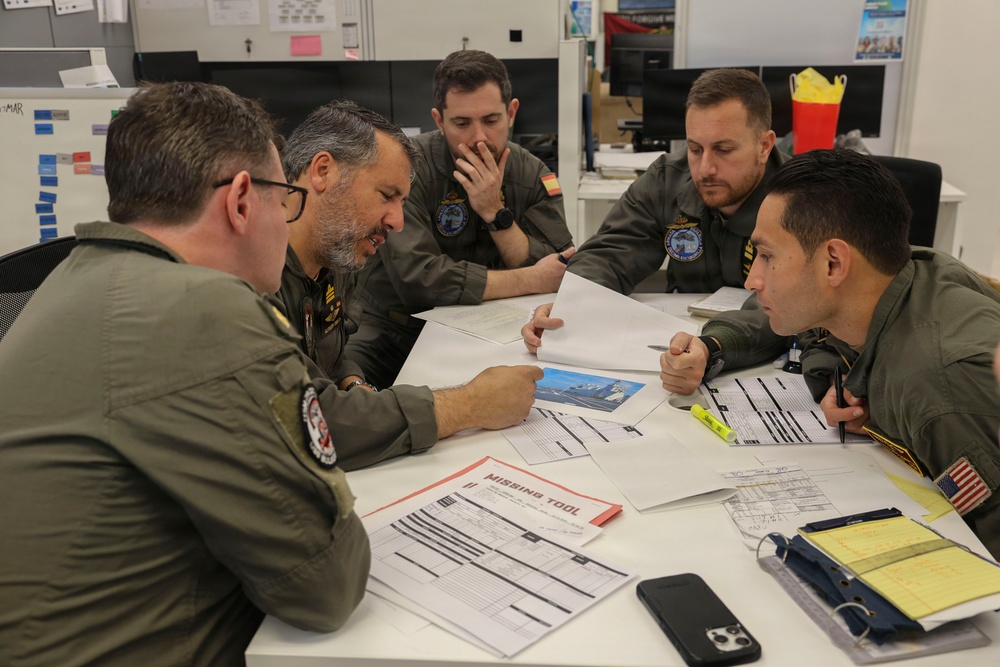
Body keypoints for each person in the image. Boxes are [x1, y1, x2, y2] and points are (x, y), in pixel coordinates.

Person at [0, 83, 371, 666]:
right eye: (285, 199)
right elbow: (324, 583)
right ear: (242, 201)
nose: (286, 220)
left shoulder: (66, 284)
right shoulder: (206, 310)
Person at [744, 148, 1000, 557]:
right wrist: (861, 395)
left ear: (833, 264)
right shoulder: (905, 277)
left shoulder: (938, 387)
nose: (752, 280)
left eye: (767, 256)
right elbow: (829, 339)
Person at [275, 100, 543, 471]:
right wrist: (470, 404)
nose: (398, 221)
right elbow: (305, 423)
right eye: (387, 195)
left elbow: (328, 352)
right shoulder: (248, 276)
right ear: (323, 171)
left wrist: (352, 383)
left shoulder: (332, 253)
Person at [522, 68, 788, 388]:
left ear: (764, 146)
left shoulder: (799, 198)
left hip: (761, 365)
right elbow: (611, 253)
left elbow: (789, 301)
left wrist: (715, 345)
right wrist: (574, 304)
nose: (705, 168)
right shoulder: (668, 179)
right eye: (695, 148)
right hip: (674, 352)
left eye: (724, 150)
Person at [347, 49, 575, 388]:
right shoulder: (407, 168)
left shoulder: (531, 173)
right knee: (341, 396)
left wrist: (496, 214)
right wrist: (529, 279)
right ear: (439, 121)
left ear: (511, 113)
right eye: (462, 123)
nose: (479, 137)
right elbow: (420, 280)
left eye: (491, 120)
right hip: (395, 330)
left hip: (499, 329)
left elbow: (558, 272)